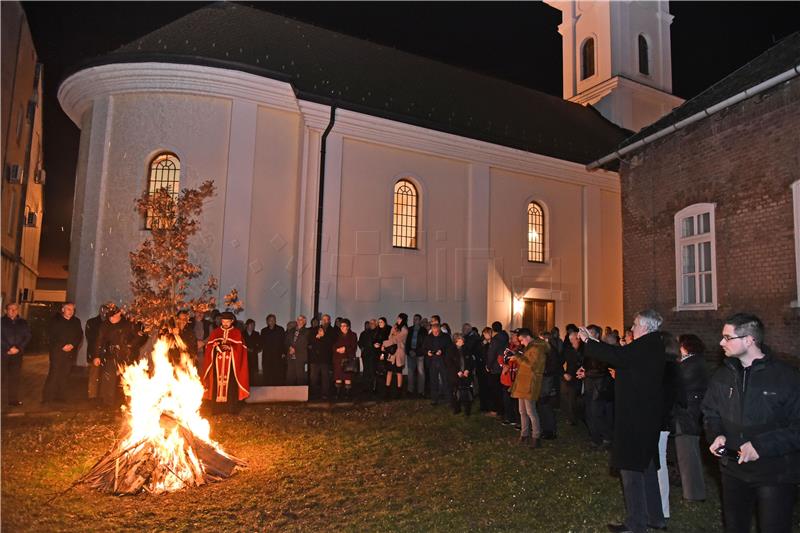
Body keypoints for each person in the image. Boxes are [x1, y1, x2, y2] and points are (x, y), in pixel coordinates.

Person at [702, 313, 800, 533]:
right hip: (733, 472)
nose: (721, 343)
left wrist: (760, 446)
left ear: (749, 340)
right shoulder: (722, 376)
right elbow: (710, 413)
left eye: (728, 338)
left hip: (774, 474)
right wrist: (716, 434)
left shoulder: (786, 378)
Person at [580, 309, 667, 533]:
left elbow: (617, 356)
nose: (632, 329)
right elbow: (630, 366)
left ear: (646, 327)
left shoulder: (645, 345)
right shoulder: (653, 345)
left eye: (635, 325)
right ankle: (654, 517)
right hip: (644, 416)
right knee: (645, 468)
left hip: (635, 419)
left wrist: (590, 341)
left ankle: (637, 523)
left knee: (631, 470)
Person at [673, 333, 708, 502]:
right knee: (685, 454)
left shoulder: (691, 365)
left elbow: (677, 384)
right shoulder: (694, 363)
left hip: (688, 416)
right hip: (689, 415)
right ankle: (688, 487)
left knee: (688, 455)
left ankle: (693, 494)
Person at [93, 303, 147, 408]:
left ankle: (129, 402)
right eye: (109, 316)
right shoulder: (105, 325)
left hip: (127, 356)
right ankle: (107, 402)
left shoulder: (129, 324)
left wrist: (130, 345)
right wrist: (97, 355)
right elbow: (99, 341)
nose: (111, 318)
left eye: (113, 316)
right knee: (109, 379)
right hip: (111, 355)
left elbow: (141, 336)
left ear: (119, 314)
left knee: (127, 379)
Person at [201, 311, 249, 413]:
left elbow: (241, 348)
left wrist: (230, 347)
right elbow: (209, 346)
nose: (225, 323)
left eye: (227, 321)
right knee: (216, 383)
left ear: (232, 321)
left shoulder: (237, 333)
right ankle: (217, 409)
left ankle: (230, 408)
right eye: (223, 321)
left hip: (231, 365)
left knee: (231, 385)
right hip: (217, 364)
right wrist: (217, 347)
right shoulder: (215, 332)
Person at [509, 328, 548, 449]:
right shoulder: (531, 347)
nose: (521, 343)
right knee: (522, 411)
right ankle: (524, 434)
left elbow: (532, 365)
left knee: (531, 411)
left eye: (521, 340)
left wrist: (517, 357)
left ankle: (536, 437)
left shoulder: (537, 348)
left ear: (527, 337)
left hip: (530, 383)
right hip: (523, 382)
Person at [578, 324, 614, 449]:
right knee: (589, 413)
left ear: (597, 334)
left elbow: (602, 369)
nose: (587, 335)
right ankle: (595, 438)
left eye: (591, 333)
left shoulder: (602, 348)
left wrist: (586, 373)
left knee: (597, 413)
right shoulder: (587, 348)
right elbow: (587, 363)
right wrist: (582, 369)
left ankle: (606, 438)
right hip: (589, 385)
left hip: (599, 387)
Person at [42, 302, 84, 403]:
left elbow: (79, 335)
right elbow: (50, 336)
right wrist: (62, 345)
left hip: (70, 353)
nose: (71, 311)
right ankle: (47, 398)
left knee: (65, 374)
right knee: (54, 373)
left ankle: (61, 397)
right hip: (57, 352)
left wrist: (72, 345)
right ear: (63, 309)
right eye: (68, 309)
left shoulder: (76, 321)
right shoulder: (55, 321)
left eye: (72, 309)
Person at [1, 303, 31, 407]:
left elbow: (27, 336)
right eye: (10, 309)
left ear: (18, 310)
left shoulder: (23, 323)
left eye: (15, 309)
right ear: (6, 310)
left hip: (17, 355)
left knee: (14, 378)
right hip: (3, 354)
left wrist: (18, 348)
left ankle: (13, 400)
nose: (13, 311)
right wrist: (8, 348)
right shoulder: (1, 322)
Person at [539, 328, 563, 440]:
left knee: (545, 404)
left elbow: (553, 366)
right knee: (543, 404)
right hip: (545, 380)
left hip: (547, 381)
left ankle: (550, 430)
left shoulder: (550, 351)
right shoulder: (547, 350)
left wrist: (543, 371)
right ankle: (546, 428)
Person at [445, 332, 474, 416]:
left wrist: (467, 370)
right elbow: (449, 362)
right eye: (461, 340)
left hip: (465, 375)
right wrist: (457, 371)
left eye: (463, 339)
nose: (463, 341)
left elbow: (470, 361)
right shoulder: (450, 349)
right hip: (455, 375)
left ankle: (467, 410)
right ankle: (456, 408)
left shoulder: (466, 348)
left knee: (466, 392)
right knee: (455, 392)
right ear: (456, 340)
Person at [422, 322, 451, 406]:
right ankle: (434, 399)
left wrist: (442, 351)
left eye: (436, 331)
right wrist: (428, 352)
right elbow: (423, 348)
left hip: (443, 362)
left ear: (439, 329)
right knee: (433, 381)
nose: (435, 332)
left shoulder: (445, 337)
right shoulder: (428, 337)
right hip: (432, 362)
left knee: (445, 381)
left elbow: (449, 347)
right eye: (433, 331)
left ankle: (448, 399)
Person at [381, 313, 409, 400]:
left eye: (400, 319)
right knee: (389, 371)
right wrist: (390, 340)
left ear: (403, 320)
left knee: (398, 372)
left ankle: (399, 391)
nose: (398, 320)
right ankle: (387, 390)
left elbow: (396, 339)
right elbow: (390, 337)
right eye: (398, 318)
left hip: (399, 353)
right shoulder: (394, 327)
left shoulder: (405, 329)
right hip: (392, 353)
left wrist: (384, 344)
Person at [84, 305, 108, 403]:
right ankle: (92, 396)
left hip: (106, 354)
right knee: (94, 375)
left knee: (104, 375)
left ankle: (102, 395)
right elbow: (91, 338)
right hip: (95, 352)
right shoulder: (92, 322)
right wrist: (95, 354)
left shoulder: (109, 322)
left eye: (106, 311)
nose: (104, 313)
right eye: (103, 310)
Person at [485, 321, 509, 417]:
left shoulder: (495, 340)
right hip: (502, 366)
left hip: (495, 368)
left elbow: (492, 354)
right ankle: (502, 410)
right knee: (501, 390)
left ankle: (496, 410)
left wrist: (488, 366)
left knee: (495, 390)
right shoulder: (505, 337)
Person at [309, 314, 335, 400]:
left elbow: (332, 342)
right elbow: (311, 341)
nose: (324, 321)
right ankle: (313, 394)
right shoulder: (316, 329)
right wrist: (317, 337)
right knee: (313, 377)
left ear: (329, 321)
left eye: (326, 319)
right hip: (315, 358)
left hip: (325, 358)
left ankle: (325, 394)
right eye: (323, 319)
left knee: (325, 377)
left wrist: (323, 337)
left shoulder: (332, 330)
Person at [561, 325, 583, 426]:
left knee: (575, 398)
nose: (573, 341)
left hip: (579, 377)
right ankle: (571, 418)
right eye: (571, 339)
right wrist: (565, 373)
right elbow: (561, 362)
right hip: (569, 377)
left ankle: (576, 417)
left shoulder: (583, 351)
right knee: (568, 398)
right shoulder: (568, 351)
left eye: (574, 339)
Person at [332, 318, 358, 401]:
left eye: (344, 326)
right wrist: (337, 349)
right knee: (338, 378)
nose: (342, 327)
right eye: (341, 326)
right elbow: (332, 345)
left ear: (348, 327)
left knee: (347, 378)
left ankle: (347, 394)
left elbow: (354, 346)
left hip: (348, 360)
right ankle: (337, 394)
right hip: (338, 359)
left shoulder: (353, 335)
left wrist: (345, 349)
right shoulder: (336, 335)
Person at [405, 313, 427, 397]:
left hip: (420, 354)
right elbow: (407, 342)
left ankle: (420, 391)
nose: (415, 321)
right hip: (410, 353)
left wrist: (416, 352)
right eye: (414, 319)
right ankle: (410, 390)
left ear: (420, 320)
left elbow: (424, 344)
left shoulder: (423, 330)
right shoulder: (409, 329)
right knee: (410, 372)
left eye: (416, 319)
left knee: (421, 372)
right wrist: (409, 351)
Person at [260, 314, 286, 386]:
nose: (272, 321)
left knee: (277, 372)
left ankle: (277, 388)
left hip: (278, 355)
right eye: (270, 320)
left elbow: (283, 341)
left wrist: (284, 352)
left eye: (273, 320)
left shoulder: (280, 329)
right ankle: (267, 387)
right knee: (267, 372)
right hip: (267, 355)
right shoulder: (264, 331)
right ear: (267, 322)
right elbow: (261, 342)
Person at [284, 315, 310, 386]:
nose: (299, 321)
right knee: (290, 376)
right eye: (298, 319)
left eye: (301, 319)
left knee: (300, 376)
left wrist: (295, 349)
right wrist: (290, 347)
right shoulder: (291, 330)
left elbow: (305, 343)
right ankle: (289, 393)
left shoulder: (307, 331)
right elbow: (286, 341)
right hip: (290, 355)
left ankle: (300, 394)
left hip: (300, 356)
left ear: (304, 321)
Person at [358, 319, 378, 394]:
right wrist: (362, 348)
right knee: (366, 371)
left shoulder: (375, 332)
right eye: (369, 324)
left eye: (371, 323)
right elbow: (360, 342)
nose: (369, 325)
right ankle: (365, 387)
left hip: (373, 355)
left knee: (372, 371)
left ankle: (373, 388)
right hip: (365, 355)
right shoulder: (363, 333)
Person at [242, 319, 261, 386]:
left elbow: (260, 345)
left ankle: (253, 385)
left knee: (253, 373)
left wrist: (255, 350)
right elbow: (240, 344)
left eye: (254, 325)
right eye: (251, 325)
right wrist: (246, 349)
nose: (253, 326)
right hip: (244, 356)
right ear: (247, 325)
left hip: (253, 355)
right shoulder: (242, 334)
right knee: (245, 371)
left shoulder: (256, 334)